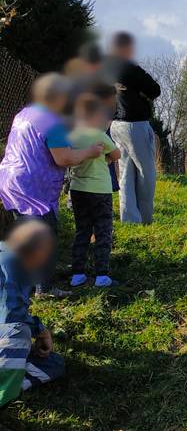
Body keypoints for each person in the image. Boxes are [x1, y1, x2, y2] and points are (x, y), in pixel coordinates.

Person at [0, 74, 104, 297]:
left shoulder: (25, 114)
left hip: (12, 182)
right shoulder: (52, 122)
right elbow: (63, 158)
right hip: (33, 187)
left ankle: (27, 280)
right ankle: (44, 288)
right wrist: (89, 152)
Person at [0, 221, 66, 411]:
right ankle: (6, 389)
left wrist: (39, 329)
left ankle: (12, 377)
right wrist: (40, 330)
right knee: (18, 332)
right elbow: (12, 316)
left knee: (54, 363)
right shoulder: (11, 262)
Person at [102, 32, 161, 224]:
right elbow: (155, 90)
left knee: (126, 173)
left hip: (116, 125)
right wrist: (143, 95)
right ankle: (144, 219)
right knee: (147, 174)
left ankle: (129, 218)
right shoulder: (129, 68)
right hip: (135, 124)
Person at [68, 95, 121, 288]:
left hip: (78, 190)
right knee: (103, 230)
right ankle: (101, 275)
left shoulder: (72, 136)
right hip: (100, 190)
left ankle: (77, 273)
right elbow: (117, 154)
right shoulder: (99, 136)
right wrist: (105, 160)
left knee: (82, 230)